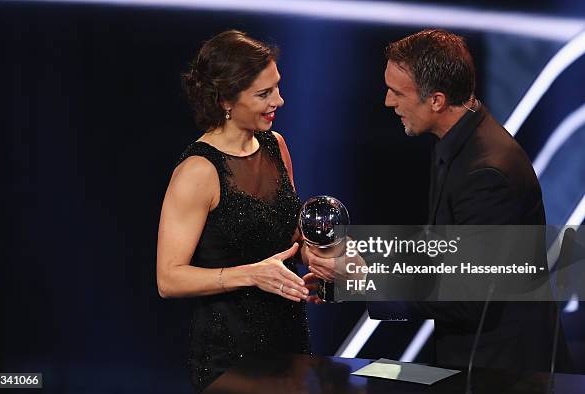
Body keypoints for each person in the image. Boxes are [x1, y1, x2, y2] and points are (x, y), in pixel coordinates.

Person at [305, 29, 572, 373]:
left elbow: (464, 297)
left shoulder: (486, 172)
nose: (388, 101)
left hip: (504, 373)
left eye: (397, 92)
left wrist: (363, 279)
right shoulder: (458, 142)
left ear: (436, 100)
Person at [156, 30, 310, 392]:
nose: (280, 101)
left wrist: (316, 258)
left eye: (277, 87)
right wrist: (252, 275)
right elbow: (169, 279)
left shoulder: (277, 147)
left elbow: (288, 238)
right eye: (264, 94)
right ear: (226, 99)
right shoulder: (198, 170)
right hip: (230, 354)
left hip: (290, 341)